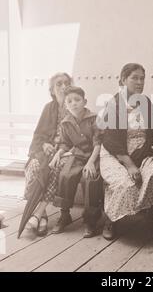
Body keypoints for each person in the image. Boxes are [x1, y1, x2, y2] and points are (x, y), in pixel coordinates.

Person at [27, 86, 103, 238]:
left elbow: (98, 143)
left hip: (94, 156)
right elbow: (65, 143)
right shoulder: (65, 122)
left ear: (84, 101)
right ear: (65, 105)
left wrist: (90, 162)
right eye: (69, 101)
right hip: (77, 155)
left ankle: (90, 220)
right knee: (65, 175)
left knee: (90, 178)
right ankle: (65, 214)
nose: (74, 103)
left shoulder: (94, 118)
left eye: (77, 100)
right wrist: (58, 154)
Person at [99, 63, 153, 241]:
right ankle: (110, 220)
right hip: (115, 154)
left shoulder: (146, 103)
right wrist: (131, 165)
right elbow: (111, 141)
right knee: (125, 183)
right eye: (134, 78)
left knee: (151, 177)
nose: (139, 82)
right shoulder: (114, 104)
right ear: (123, 80)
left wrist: (146, 150)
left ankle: (151, 218)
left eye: (142, 78)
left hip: (141, 152)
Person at [24, 72, 72, 236]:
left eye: (66, 83)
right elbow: (38, 135)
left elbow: (81, 138)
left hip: (66, 153)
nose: (64, 87)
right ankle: (42, 216)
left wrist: (61, 150)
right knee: (33, 166)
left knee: (55, 168)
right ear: (52, 90)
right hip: (48, 151)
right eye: (59, 84)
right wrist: (44, 144)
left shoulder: (75, 105)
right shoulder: (48, 108)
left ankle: (37, 214)